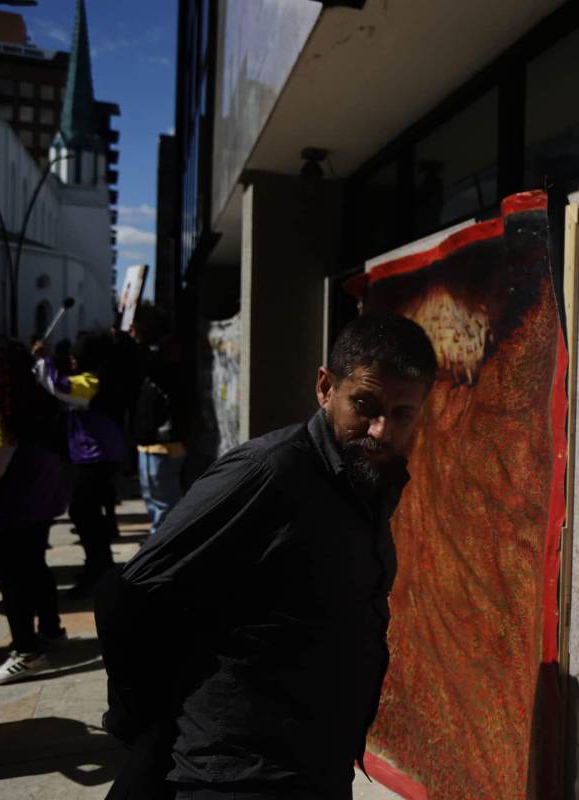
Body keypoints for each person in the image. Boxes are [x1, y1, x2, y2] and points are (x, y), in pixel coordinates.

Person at [95, 314, 438, 800]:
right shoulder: (269, 473)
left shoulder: (365, 479)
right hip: (240, 776)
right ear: (325, 387)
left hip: (316, 765)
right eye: (365, 404)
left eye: (403, 413)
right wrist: (140, 718)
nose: (381, 430)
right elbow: (129, 594)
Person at [0, 336, 68, 685]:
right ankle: (50, 629)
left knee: (14, 579)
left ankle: (27, 652)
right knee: (34, 566)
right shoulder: (32, 399)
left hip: (13, 506)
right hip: (38, 500)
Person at [34, 330, 125, 593]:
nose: (72, 361)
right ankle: (99, 566)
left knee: (84, 512)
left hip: (96, 456)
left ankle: (99, 569)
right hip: (92, 455)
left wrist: (43, 360)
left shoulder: (93, 381)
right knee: (86, 513)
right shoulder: (95, 378)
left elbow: (58, 387)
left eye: (76, 356)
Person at [130, 305, 186, 536]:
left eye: (134, 329)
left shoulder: (163, 359)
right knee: (154, 504)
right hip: (150, 443)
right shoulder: (153, 358)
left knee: (165, 508)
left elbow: (150, 365)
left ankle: (164, 557)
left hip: (164, 445)